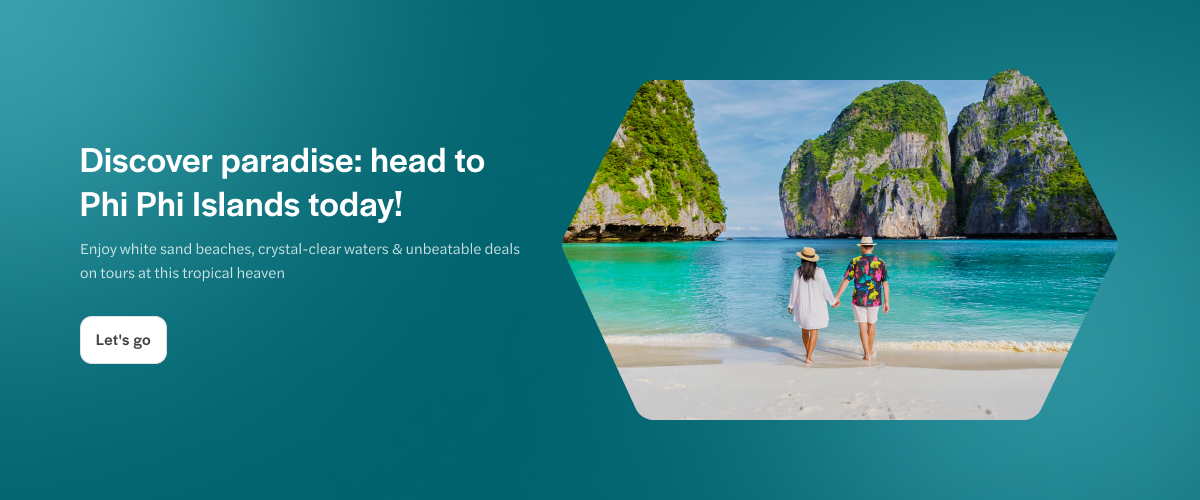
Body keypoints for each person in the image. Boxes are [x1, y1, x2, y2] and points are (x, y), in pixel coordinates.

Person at [834, 237, 890, 361]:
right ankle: (870, 350)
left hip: (859, 299)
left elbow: (847, 279)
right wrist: (887, 301)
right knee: (872, 325)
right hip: (875, 299)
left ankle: (866, 355)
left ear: (862, 247)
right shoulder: (881, 262)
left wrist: (837, 296)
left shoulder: (855, 261)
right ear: (872, 247)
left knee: (862, 327)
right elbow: (885, 283)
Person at [788, 247, 839, 363]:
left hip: (803, 306)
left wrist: (791, 304)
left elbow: (793, 290)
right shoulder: (819, 271)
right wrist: (832, 301)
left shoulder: (798, 272)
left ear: (802, 259)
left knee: (805, 330)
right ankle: (809, 356)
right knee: (814, 330)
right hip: (817, 306)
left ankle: (808, 354)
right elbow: (826, 289)